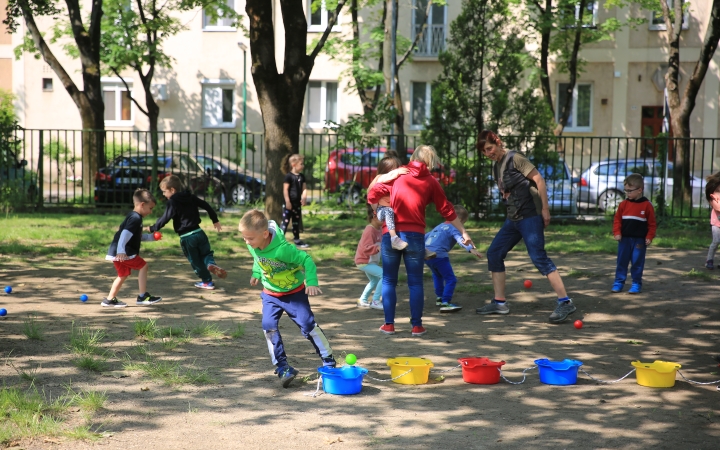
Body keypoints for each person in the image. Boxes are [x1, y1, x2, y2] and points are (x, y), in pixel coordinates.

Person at [368, 145, 475, 337]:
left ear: (413, 156)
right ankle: (416, 326)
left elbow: (373, 192)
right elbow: (448, 210)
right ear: (431, 161)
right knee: (415, 283)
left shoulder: (397, 175)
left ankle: (389, 325)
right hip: (416, 236)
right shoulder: (431, 182)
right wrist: (464, 232)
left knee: (389, 280)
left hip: (390, 233)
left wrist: (378, 210)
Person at [475, 130, 576, 324]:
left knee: (539, 257)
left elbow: (539, 179)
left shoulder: (515, 158)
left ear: (498, 143)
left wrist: (545, 209)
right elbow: (509, 189)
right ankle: (500, 303)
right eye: (484, 152)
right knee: (494, 253)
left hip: (530, 215)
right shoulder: (497, 167)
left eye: (489, 148)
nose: (488, 153)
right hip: (513, 219)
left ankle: (565, 302)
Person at [239, 209, 336, 388]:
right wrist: (255, 272)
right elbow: (257, 256)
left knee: (307, 325)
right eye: (244, 238)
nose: (247, 242)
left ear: (265, 234)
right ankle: (283, 368)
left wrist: (312, 281)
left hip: (294, 293)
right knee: (268, 327)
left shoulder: (283, 250)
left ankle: (328, 359)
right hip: (270, 294)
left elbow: (306, 259)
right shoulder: (253, 243)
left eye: (250, 238)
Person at [148, 175, 226, 290]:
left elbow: (165, 218)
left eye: (164, 192)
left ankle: (207, 281)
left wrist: (153, 228)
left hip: (187, 238)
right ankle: (210, 263)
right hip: (199, 233)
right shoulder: (191, 197)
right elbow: (206, 205)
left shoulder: (172, 202)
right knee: (206, 254)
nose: (164, 195)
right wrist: (215, 220)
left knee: (195, 260)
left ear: (172, 190)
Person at [103, 189, 162, 308]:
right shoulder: (136, 218)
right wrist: (121, 251)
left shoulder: (133, 216)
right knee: (143, 266)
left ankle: (109, 300)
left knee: (123, 274)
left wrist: (151, 238)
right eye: (150, 208)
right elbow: (124, 234)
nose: (151, 212)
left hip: (117, 251)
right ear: (142, 205)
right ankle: (142, 296)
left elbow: (135, 237)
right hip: (124, 252)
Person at [425, 205, 483, 312]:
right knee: (451, 279)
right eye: (463, 223)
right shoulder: (454, 227)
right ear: (459, 220)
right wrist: (471, 249)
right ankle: (446, 302)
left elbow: (425, 237)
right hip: (440, 256)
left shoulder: (439, 226)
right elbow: (461, 240)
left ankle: (440, 297)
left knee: (437, 275)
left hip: (427, 255)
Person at [611, 173, 657, 294]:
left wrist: (649, 236)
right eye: (625, 190)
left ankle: (636, 283)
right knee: (621, 261)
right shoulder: (623, 205)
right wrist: (617, 232)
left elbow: (652, 223)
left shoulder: (647, 205)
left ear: (639, 190)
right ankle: (618, 283)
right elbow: (617, 220)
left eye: (630, 191)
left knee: (637, 262)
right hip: (624, 240)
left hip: (639, 241)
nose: (627, 193)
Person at [368, 157, 410, 250]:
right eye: (396, 169)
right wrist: (398, 172)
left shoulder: (393, 180)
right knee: (388, 210)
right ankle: (394, 238)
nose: (398, 171)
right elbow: (371, 194)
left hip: (390, 211)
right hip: (382, 210)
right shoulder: (380, 178)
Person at [354, 207, 384, 310]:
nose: (385, 220)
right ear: (374, 217)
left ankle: (362, 300)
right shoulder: (370, 229)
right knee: (384, 275)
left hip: (371, 262)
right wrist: (378, 248)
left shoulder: (379, 229)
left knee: (374, 280)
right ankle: (375, 301)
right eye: (383, 218)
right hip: (364, 261)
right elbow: (365, 248)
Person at [280, 153, 309, 248]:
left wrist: (304, 198)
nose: (303, 166)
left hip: (297, 204)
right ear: (294, 165)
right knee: (285, 222)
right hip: (289, 204)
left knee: (296, 222)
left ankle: (297, 240)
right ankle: (280, 240)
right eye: (301, 164)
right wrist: (287, 202)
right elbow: (285, 190)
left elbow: (304, 189)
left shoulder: (302, 176)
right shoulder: (288, 176)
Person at [704, 172, 720, 269]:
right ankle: (709, 260)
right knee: (716, 241)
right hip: (716, 223)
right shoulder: (714, 194)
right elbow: (718, 208)